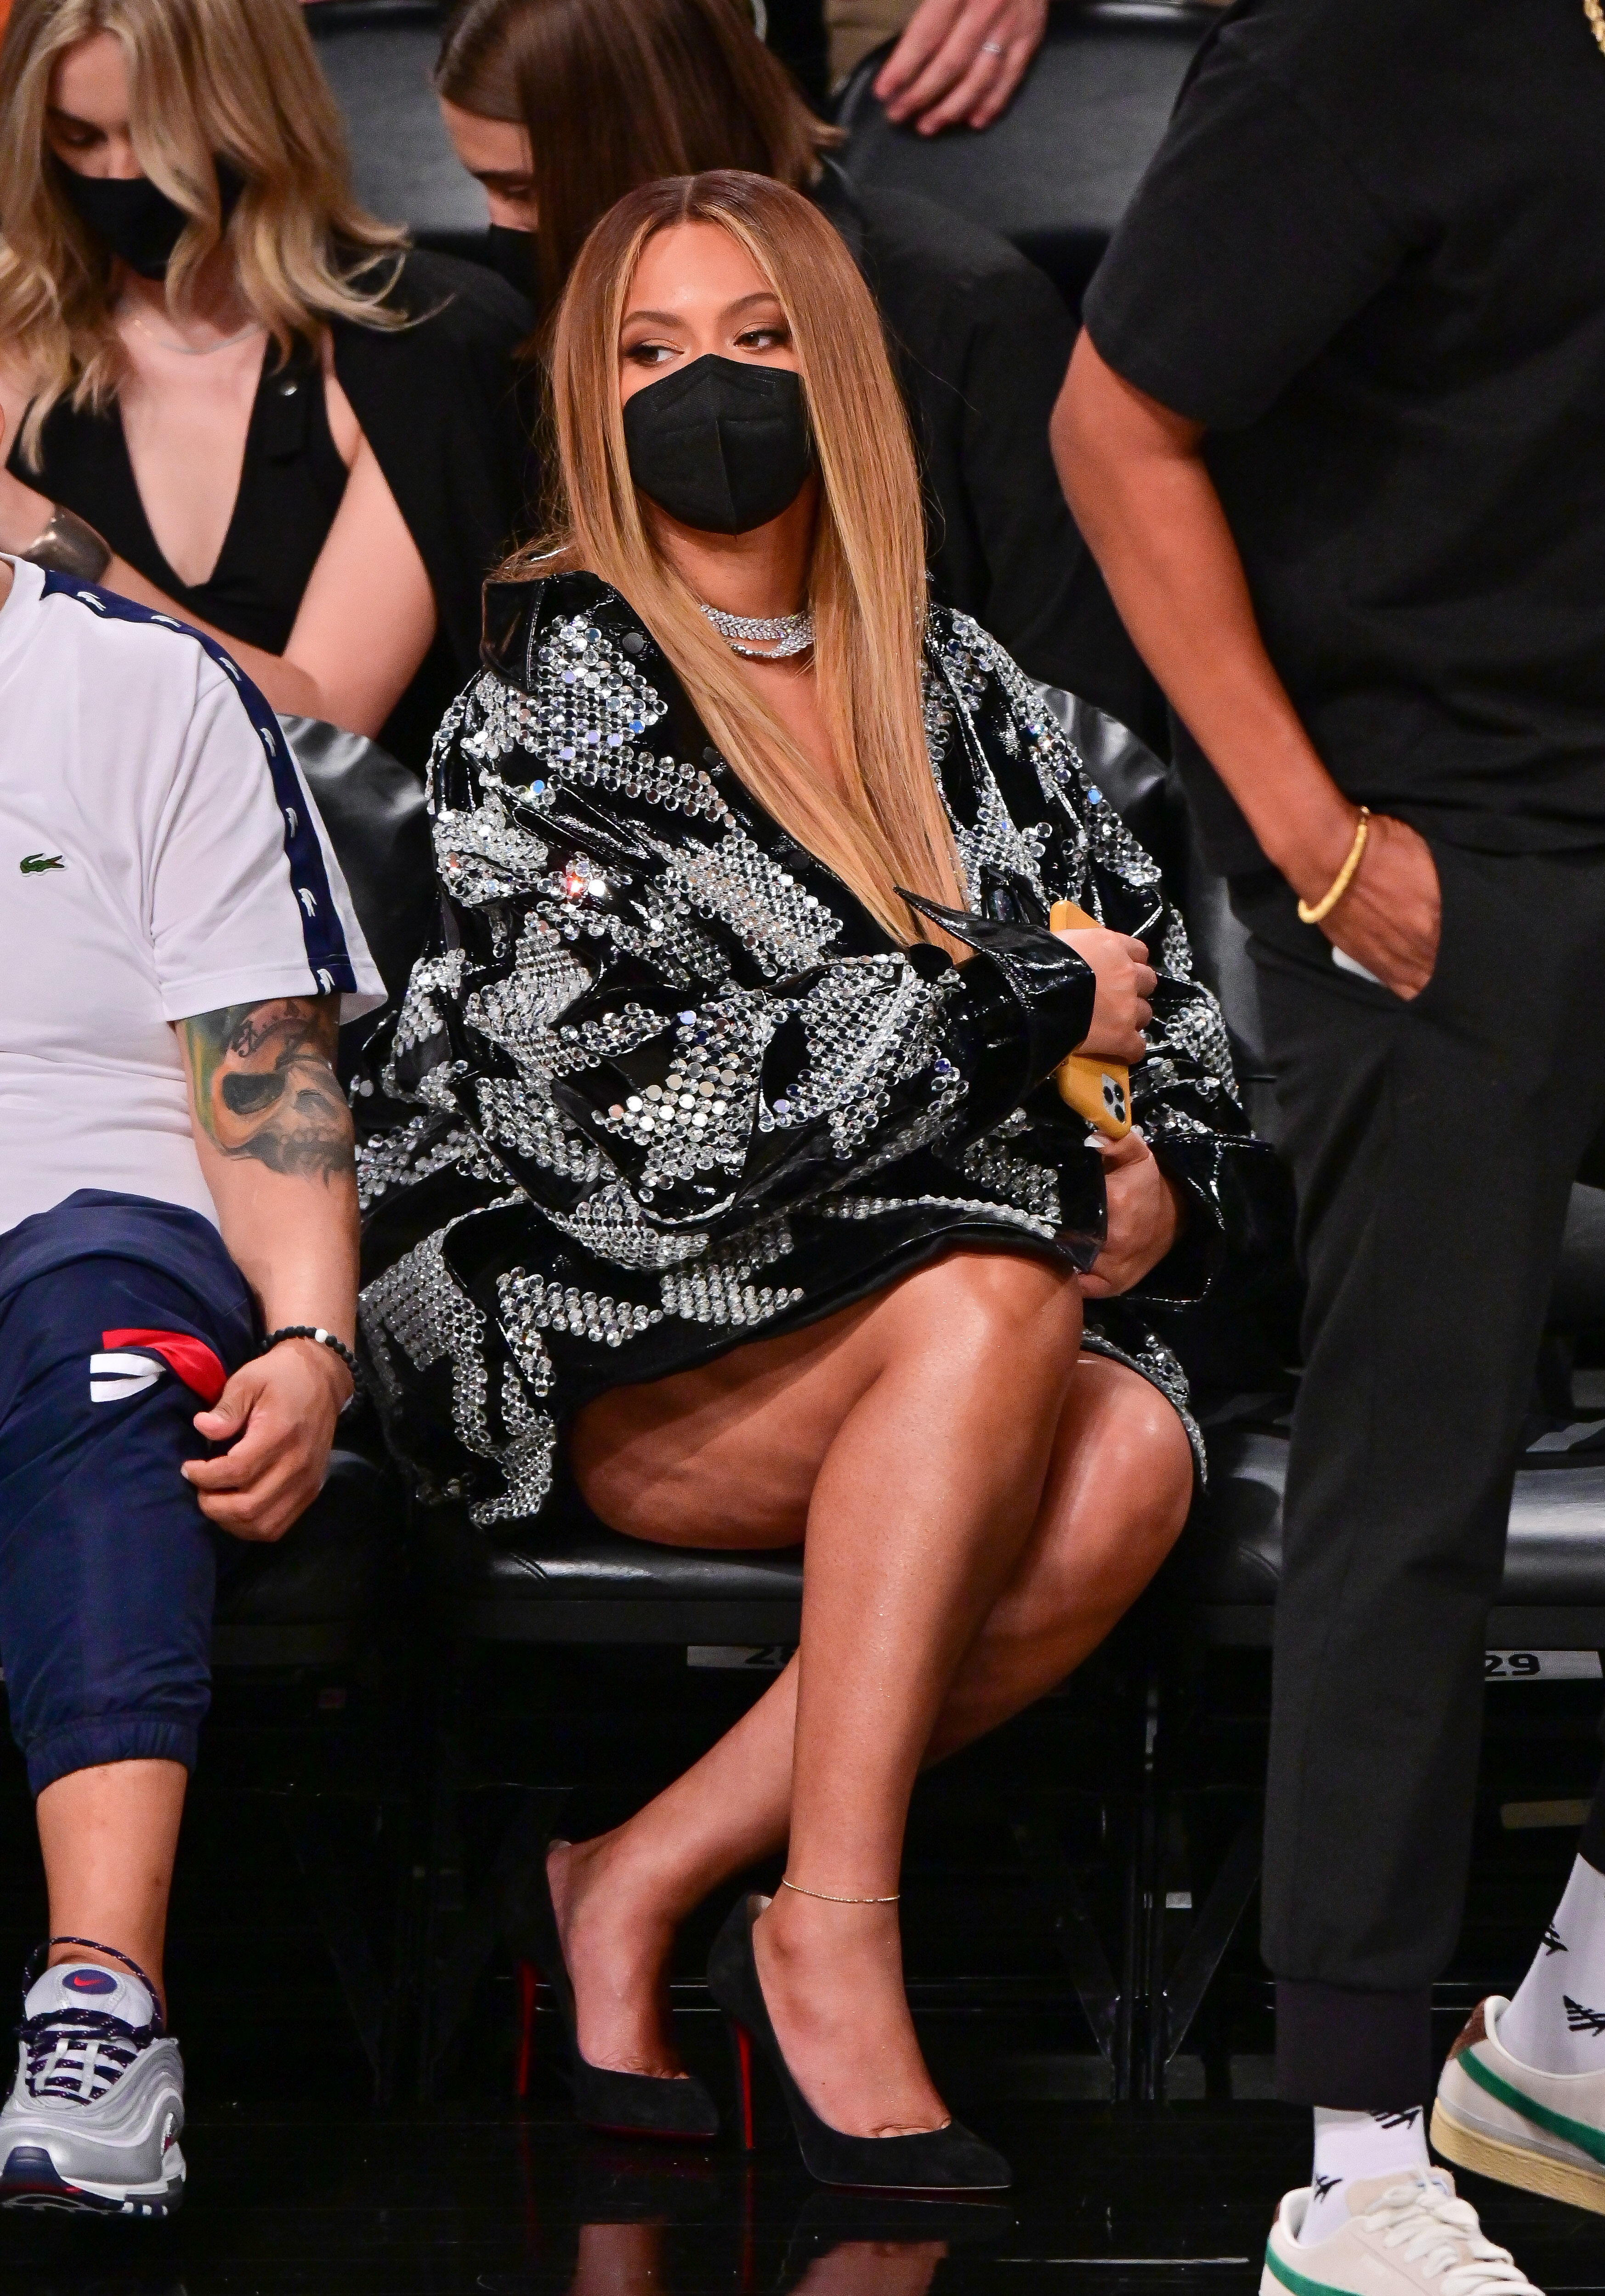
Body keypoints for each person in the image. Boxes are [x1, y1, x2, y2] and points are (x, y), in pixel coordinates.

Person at [357, 166, 1286, 2189]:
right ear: (591, 403)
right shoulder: (534, 719)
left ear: (844, 378)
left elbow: (1181, 1032)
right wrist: (1007, 1015)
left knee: (1128, 1445)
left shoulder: (978, 700)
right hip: (591, 1340)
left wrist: (1169, 1195)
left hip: (924, 1324)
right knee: (996, 1288)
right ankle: (834, 1935)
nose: (714, 390)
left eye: (763, 342)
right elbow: (649, 1135)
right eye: (656, 351)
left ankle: (633, 1876)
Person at [1055, 0, 1605, 2279]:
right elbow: (1113, 423)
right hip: (1430, 846)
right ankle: (1356, 2151)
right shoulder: (1366, 36)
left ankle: (1566, 2024)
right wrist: (1304, 840)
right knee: (1416, 1468)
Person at [0, 433, 384, 2212]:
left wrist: (308, 1342)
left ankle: (103, 2002)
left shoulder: (141, 688)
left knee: (107, 1358)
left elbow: (262, 1073)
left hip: (98, 1202)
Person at [431, 0, 1163, 746]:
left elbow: (1079, 701)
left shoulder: (964, 308)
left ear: (628, 153)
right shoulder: (526, 327)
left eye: (521, 191)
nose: (504, 229)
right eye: (650, 351)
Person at [0, 0, 532, 771]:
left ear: (251, 117)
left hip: (338, 868)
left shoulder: (421, 346)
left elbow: (325, 724)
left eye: (158, 135)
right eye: (79, 137)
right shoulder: (24, 337)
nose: (121, 174)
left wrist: (49, 540)